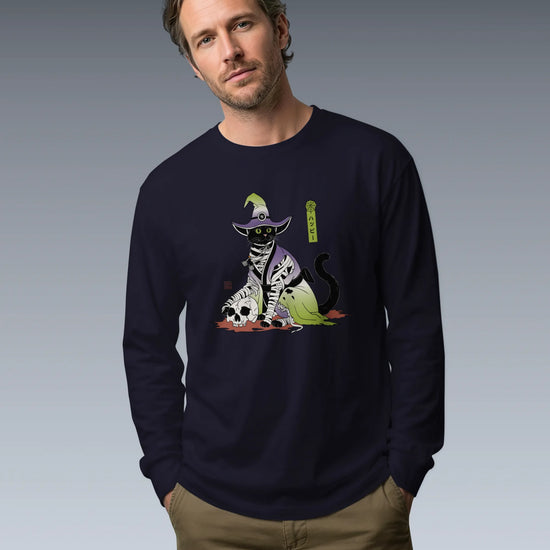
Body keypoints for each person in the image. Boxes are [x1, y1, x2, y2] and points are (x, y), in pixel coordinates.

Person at [122, 0, 445, 548]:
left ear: (280, 28)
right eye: (206, 39)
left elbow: (417, 326)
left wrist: (407, 469)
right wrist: (168, 479)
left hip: (362, 506)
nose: (230, 51)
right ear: (194, 65)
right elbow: (146, 344)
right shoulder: (167, 191)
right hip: (213, 511)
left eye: (241, 24)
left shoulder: (376, 162)